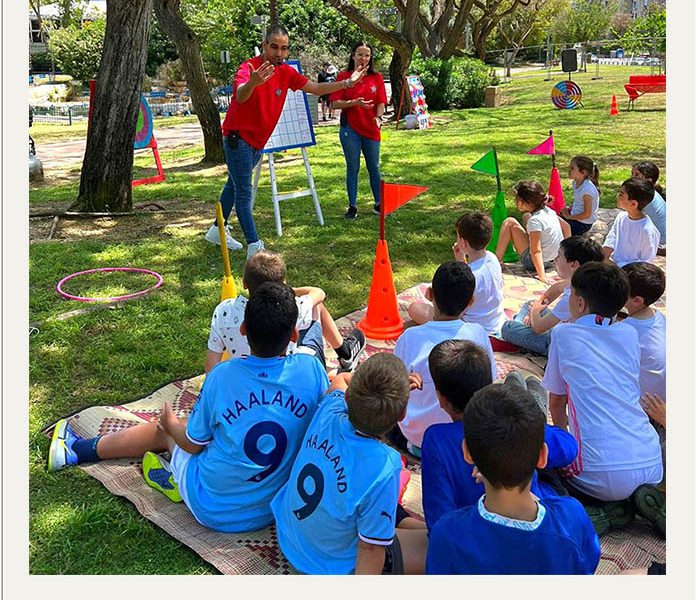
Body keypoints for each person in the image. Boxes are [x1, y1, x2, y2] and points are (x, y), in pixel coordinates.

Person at [48, 283, 331, 533]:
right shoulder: (311, 371)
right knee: (214, 435)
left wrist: (169, 424)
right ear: (294, 334)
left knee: (170, 431)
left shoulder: (222, 377)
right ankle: (173, 473)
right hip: (270, 508)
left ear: (243, 330)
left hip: (212, 506)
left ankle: (74, 451)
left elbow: (194, 444)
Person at [206, 25, 368, 256]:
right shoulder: (249, 68)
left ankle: (216, 230)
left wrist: (346, 83)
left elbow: (316, 87)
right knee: (243, 192)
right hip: (238, 139)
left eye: (284, 49)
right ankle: (255, 247)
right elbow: (241, 95)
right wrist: (253, 82)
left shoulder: (286, 72)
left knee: (233, 185)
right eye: (274, 47)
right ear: (264, 45)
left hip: (257, 142)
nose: (279, 54)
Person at [271, 353, 428, 575]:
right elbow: (371, 548)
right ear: (402, 413)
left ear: (347, 399)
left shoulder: (329, 411)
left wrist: (379, 389)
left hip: (290, 536)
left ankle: (401, 518)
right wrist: (395, 391)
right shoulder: (385, 464)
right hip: (330, 563)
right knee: (439, 544)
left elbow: (342, 379)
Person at [542, 262, 665, 536]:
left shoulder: (564, 334)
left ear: (581, 304)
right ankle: (636, 500)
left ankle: (598, 513)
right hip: (651, 462)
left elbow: (556, 403)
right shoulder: (630, 333)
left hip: (597, 473)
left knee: (542, 461)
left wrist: (562, 445)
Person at [426, 383, 601, 575]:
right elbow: (587, 566)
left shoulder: (448, 534)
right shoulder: (571, 517)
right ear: (543, 456)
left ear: (467, 452)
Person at [420, 340, 579, 531]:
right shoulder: (515, 426)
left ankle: (531, 409)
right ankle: (533, 412)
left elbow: (439, 522)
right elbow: (570, 448)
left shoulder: (436, 440)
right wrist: (535, 429)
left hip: (471, 542)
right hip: (535, 516)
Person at [393, 261, 498, 457]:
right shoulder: (478, 333)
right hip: (464, 436)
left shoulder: (410, 337)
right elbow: (490, 381)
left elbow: (394, 385)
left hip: (417, 437)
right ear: (471, 301)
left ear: (430, 294)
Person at [205, 250, 365, 373]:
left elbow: (212, 362)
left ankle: (344, 352)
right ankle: (344, 353)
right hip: (291, 376)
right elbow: (318, 293)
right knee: (316, 306)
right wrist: (288, 290)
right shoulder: (292, 307)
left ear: (245, 283)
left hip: (246, 379)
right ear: (294, 334)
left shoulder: (223, 311)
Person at [500, 236, 604, 355]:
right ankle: (523, 329)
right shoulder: (584, 280)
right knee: (530, 304)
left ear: (573, 264)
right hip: (561, 331)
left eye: (559, 256)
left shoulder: (573, 297)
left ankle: (522, 332)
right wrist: (535, 309)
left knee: (507, 327)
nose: (555, 260)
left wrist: (534, 312)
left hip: (557, 344)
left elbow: (539, 328)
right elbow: (556, 288)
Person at [407, 211, 506, 337]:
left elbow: (453, 311)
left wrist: (433, 299)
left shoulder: (472, 276)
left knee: (415, 308)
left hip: (470, 329)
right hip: (495, 321)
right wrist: (460, 260)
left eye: (458, 236)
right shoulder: (492, 258)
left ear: (464, 242)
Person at [329, 41, 387, 219]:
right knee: (352, 168)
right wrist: (355, 103)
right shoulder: (344, 77)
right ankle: (352, 206)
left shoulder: (376, 78)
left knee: (374, 167)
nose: (363, 58)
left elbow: (381, 102)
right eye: (360, 54)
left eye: (367, 55)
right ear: (353, 55)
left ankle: (379, 204)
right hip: (350, 130)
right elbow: (334, 103)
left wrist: (378, 117)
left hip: (371, 129)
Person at [495, 180, 569, 283]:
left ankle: (497, 261)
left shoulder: (535, 221)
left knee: (509, 222)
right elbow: (567, 227)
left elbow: (536, 251)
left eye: (517, 199)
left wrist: (542, 276)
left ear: (524, 202)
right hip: (553, 259)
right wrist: (566, 254)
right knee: (526, 216)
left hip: (534, 263)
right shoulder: (550, 212)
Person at [603, 178, 660, 266]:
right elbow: (612, 237)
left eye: (621, 194)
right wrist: (604, 255)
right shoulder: (621, 217)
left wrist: (616, 266)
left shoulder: (647, 231)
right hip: (614, 267)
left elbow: (645, 263)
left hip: (632, 274)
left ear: (633, 204)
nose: (617, 196)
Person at [560, 155, 600, 236]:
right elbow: (579, 202)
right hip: (576, 217)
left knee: (557, 228)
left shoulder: (587, 190)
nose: (569, 170)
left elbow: (587, 214)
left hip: (583, 224)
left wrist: (568, 217)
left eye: (572, 168)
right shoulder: (576, 183)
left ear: (583, 172)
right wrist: (570, 209)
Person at [631, 160, 666, 252]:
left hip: (658, 243)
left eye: (636, 175)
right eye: (632, 174)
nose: (632, 177)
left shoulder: (643, 196)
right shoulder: (652, 192)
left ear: (648, 180)